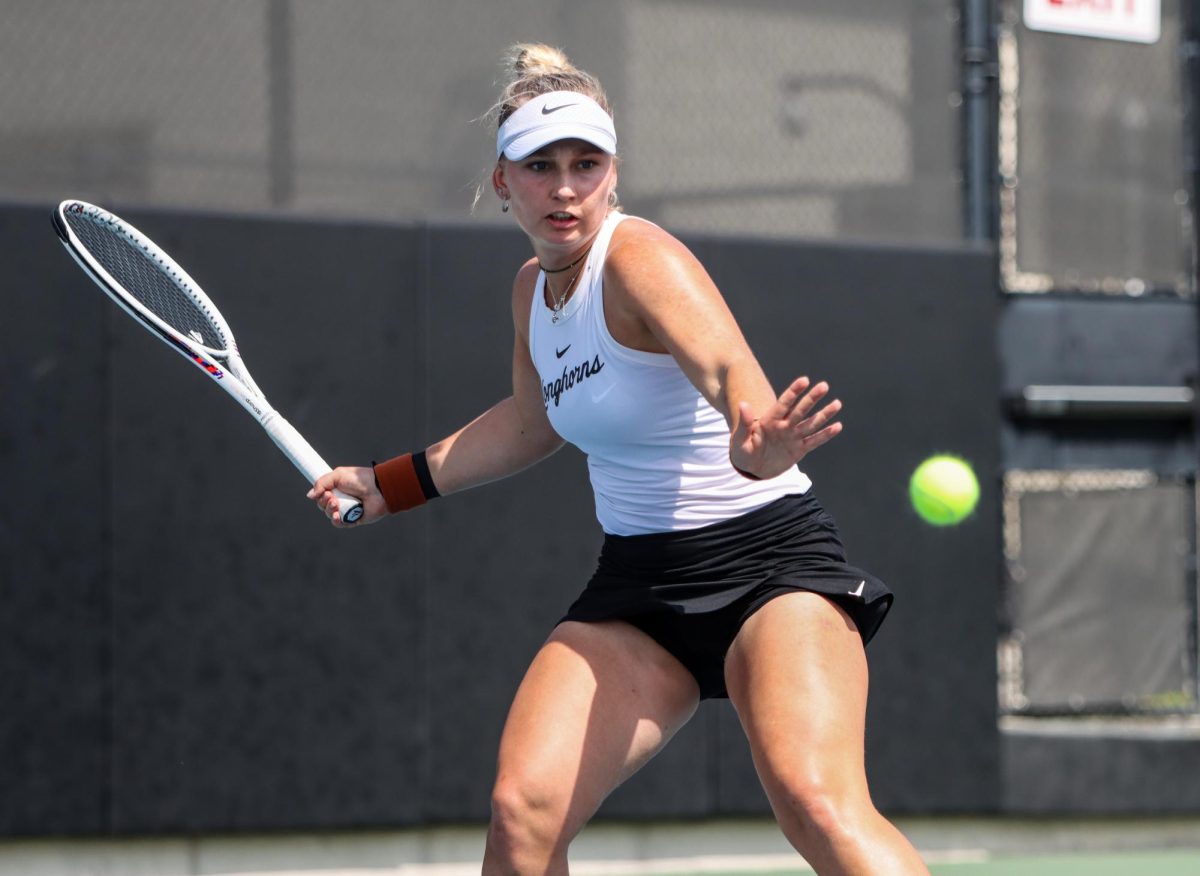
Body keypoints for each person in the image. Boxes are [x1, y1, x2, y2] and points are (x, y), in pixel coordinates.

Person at [308, 43, 930, 876]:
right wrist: (391, 485)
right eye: (540, 166)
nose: (564, 187)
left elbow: (734, 384)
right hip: (639, 591)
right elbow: (534, 424)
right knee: (521, 816)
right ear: (504, 182)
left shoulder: (640, 259)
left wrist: (757, 443)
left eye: (585, 164)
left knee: (815, 801)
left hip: (769, 567)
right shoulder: (533, 290)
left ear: (613, 171)